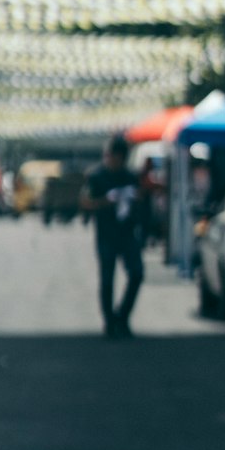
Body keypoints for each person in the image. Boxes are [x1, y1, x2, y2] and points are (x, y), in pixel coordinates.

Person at [80, 135, 145, 338]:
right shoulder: (97, 176)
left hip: (127, 232)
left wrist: (135, 199)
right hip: (106, 233)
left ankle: (122, 316)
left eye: (113, 156)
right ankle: (109, 321)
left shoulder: (130, 177)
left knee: (136, 273)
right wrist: (106, 201)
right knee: (107, 279)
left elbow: (142, 200)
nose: (109, 159)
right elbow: (85, 202)